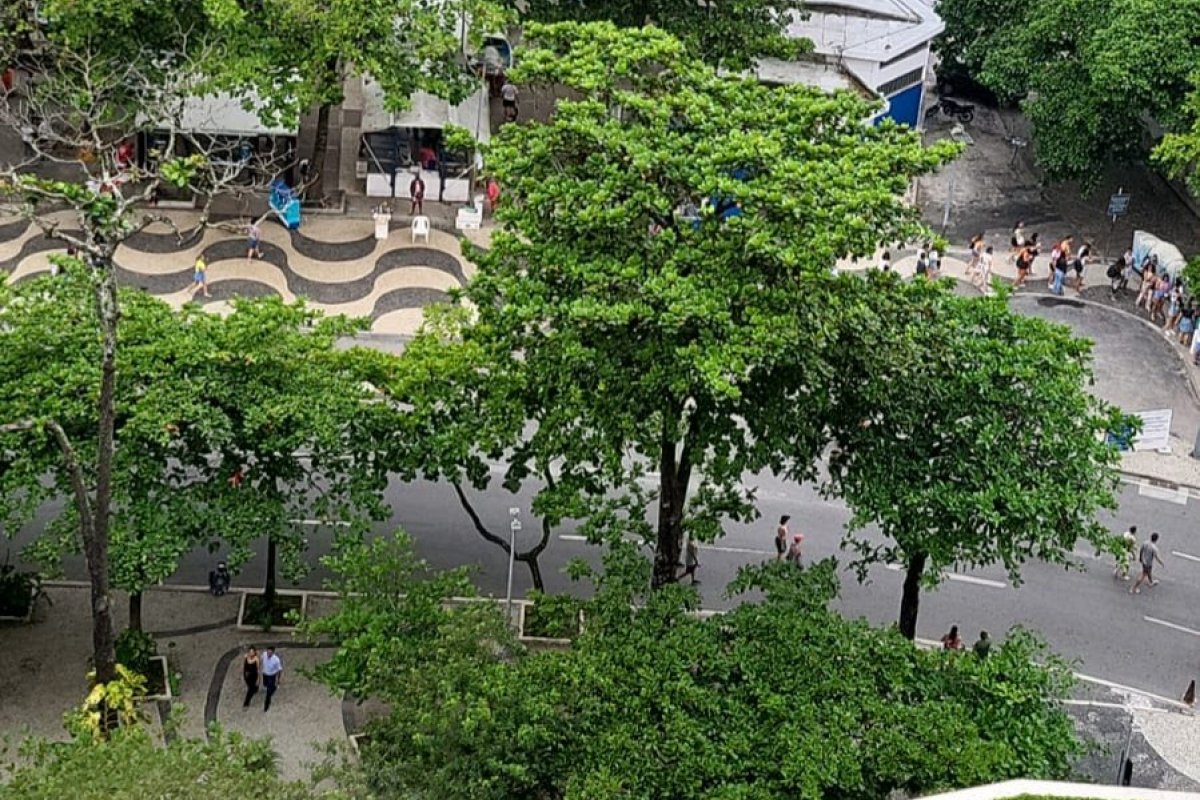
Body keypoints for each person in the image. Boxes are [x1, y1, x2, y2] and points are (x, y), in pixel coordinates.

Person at [261, 646, 283, 711]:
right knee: (265, 684)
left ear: (273, 652)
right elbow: (261, 659)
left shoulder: (276, 660)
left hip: (271, 675)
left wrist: (279, 679)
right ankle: (273, 687)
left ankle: (266, 705)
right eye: (268, 652)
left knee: (268, 691)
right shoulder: (264, 654)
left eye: (270, 653)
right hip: (265, 673)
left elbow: (279, 670)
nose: (268, 654)